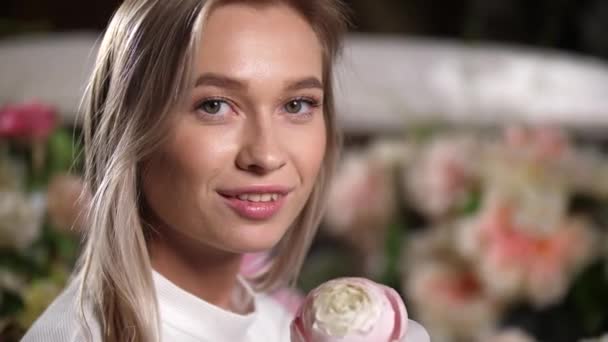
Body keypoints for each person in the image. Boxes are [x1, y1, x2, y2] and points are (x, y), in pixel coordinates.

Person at [23, 0, 429, 341]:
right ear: (131, 129)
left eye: (296, 105)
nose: (266, 155)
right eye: (214, 106)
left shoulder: (278, 326)